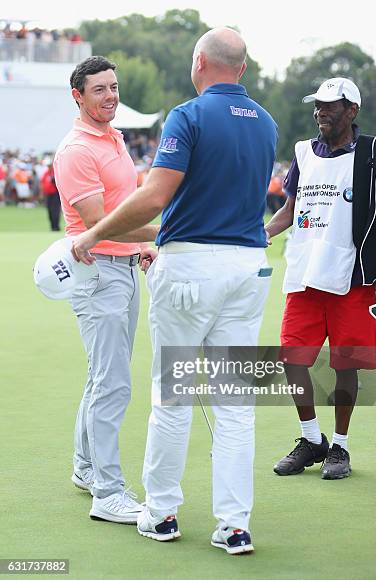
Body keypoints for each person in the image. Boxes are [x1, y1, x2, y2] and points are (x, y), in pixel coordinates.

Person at [72, 28, 278, 554]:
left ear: (199, 62)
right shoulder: (268, 123)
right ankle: (234, 525)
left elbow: (156, 196)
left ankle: (161, 512)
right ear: (244, 69)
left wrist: (94, 232)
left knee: (173, 398)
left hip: (191, 268)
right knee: (234, 405)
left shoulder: (187, 116)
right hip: (249, 268)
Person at [265, 77, 376, 480]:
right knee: (292, 358)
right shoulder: (303, 153)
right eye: (318, 105)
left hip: (353, 277)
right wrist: (261, 233)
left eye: (330, 105)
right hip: (305, 274)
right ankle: (311, 440)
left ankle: (339, 446)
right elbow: (290, 209)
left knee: (346, 365)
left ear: (351, 111)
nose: (321, 111)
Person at [53, 56, 158, 524]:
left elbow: (125, 202)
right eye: (100, 90)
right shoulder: (76, 150)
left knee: (102, 377)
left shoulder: (113, 136)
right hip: (98, 275)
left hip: (122, 267)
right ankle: (108, 492)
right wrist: (160, 234)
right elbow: (97, 223)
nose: (111, 96)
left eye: (113, 87)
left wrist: (139, 249)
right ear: (78, 95)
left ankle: (85, 468)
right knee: (112, 383)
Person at [41, 164, 61, 230]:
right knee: (49, 211)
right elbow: (42, 183)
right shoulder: (46, 173)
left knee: (56, 210)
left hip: (55, 194)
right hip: (48, 195)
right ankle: (52, 226)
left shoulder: (55, 173)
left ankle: (56, 226)